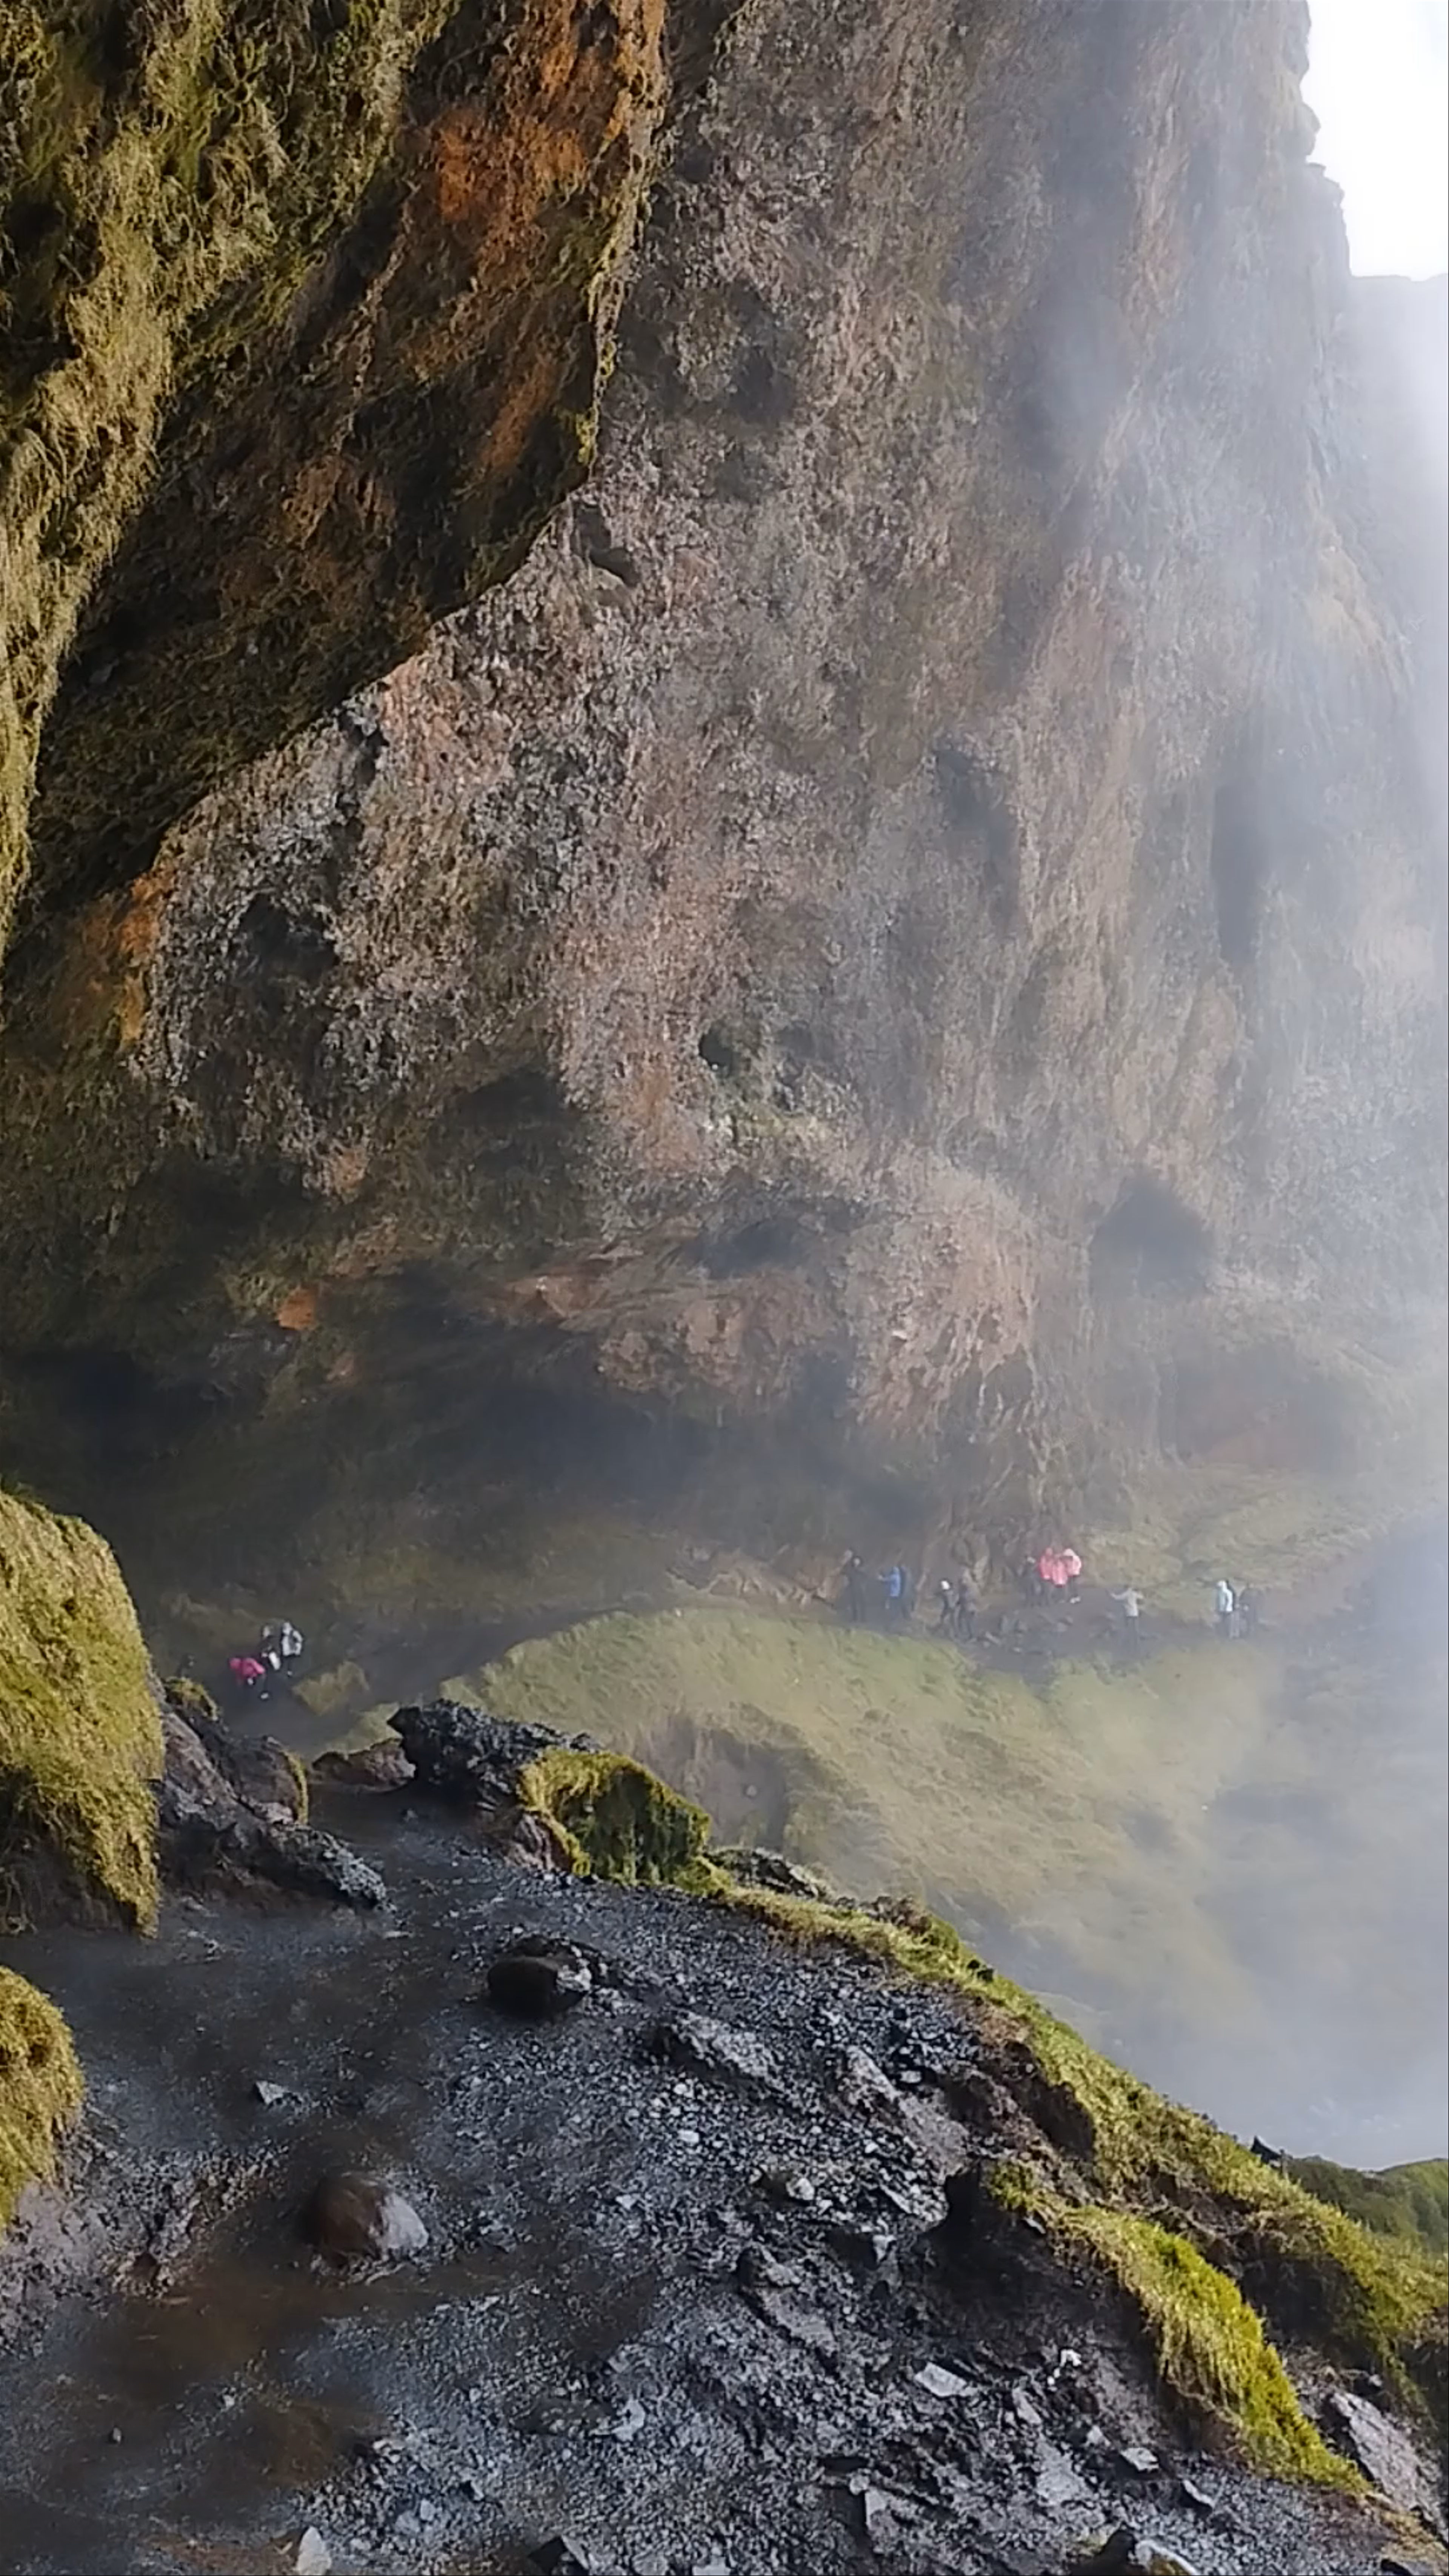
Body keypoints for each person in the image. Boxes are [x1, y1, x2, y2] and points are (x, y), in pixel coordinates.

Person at [1111, 1585, 1143, 1653]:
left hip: (1129, 1614)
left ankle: (1128, 1642)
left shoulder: (1126, 1594)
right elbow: (1142, 1597)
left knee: (1128, 1628)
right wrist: (1140, 1592)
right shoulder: (1134, 1594)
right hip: (1135, 1613)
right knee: (1136, 1629)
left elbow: (1117, 1598)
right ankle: (1137, 1642)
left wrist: (1112, 1595)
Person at [840, 1555, 869, 1626]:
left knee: (862, 1604)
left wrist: (864, 1585)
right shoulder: (851, 1569)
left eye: (858, 1560)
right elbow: (845, 1572)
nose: (856, 1562)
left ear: (860, 1561)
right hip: (852, 1587)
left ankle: (863, 1619)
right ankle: (854, 1618)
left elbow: (865, 1577)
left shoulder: (862, 1569)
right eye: (855, 1560)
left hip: (860, 1588)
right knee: (853, 1604)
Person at [880, 1563, 904, 1627]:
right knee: (894, 1607)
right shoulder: (899, 1577)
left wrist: (880, 1578)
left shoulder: (894, 1577)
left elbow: (885, 1580)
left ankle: (889, 1620)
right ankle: (893, 1618)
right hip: (897, 1595)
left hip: (892, 1595)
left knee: (890, 1607)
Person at [1214, 1576, 1236, 1641]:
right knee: (1222, 1622)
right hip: (1221, 1610)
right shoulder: (1219, 1593)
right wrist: (1217, 1608)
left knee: (1228, 1623)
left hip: (1228, 1611)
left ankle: (1229, 1634)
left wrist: (1227, 1608)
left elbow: (1230, 1601)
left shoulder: (1228, 1592)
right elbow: (1218, 1601)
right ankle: (1223, 1634)